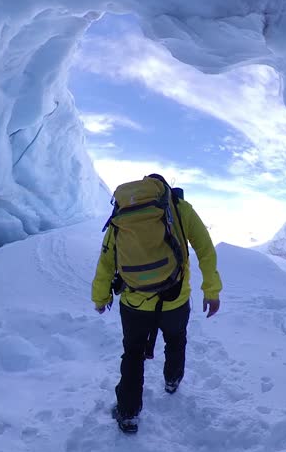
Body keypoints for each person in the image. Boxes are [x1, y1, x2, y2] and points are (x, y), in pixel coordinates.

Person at [92, 174, 222, 434]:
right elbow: (205, 248)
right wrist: (211, 289)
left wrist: (101, 296)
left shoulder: (124, 213)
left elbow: (107, 258)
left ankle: (128, 413)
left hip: (134, 302)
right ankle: (172, 380)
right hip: (175, 297)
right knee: (176, 340)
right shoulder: (179, 209)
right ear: (165, 190)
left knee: (133, 354)